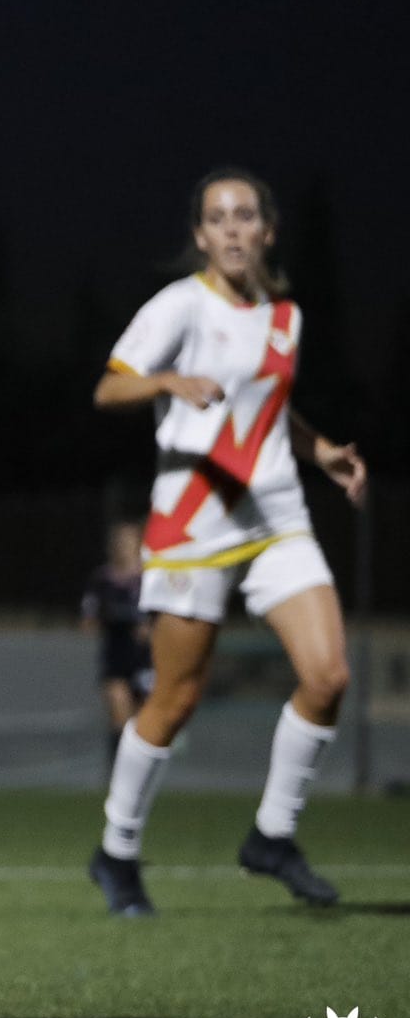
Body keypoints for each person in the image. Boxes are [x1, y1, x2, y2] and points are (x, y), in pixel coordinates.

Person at [86, 169, 364, 917]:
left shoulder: (284, 317)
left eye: (246, 215)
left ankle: (272, 836)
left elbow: (267, 411)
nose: (234, 228)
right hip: (192, 521)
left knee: (329, 675)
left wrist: (323, 450)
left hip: (275, 517)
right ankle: (116, 849)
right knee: (174, 701)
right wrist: (169, 382)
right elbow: (109, 388)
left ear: (266, 231)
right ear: (202, 236)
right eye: (219, 218)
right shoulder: (181, 305)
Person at [81, 518, 154, 759]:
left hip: (145, 659)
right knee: (120, 720)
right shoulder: (102, 579)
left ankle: (141, 777)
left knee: (146, 725)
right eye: (119, 541)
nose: (123, 545)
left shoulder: (151, 577)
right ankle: (116, 776)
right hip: (116, 656)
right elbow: (88, 619)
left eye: (128, 540)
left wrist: (148, 627)